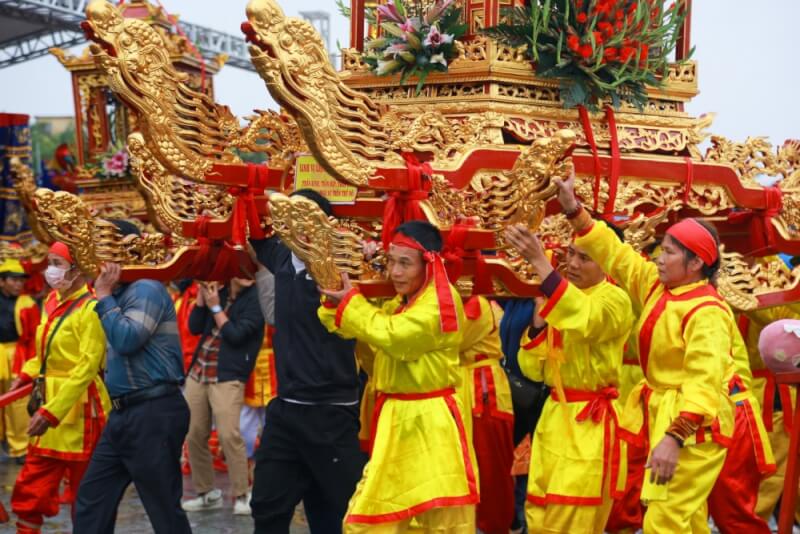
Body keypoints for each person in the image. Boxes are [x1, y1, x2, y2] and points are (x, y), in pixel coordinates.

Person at [552, 170, 736, 532]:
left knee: (663, 522)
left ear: (696, 263)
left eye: (668, 252)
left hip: (694, 427)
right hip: (662, 411)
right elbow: (618, 256)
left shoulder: (707, 312)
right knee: (686, 520)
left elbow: (704, 383)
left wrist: (674, 438)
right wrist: (575, 211)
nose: (659, 259)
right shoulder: (659, 286)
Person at [319, 220, 478, 533]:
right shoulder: (400, 303)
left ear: (429, 265)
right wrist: (333, 298)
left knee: (438, 520)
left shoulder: (438, 305)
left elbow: (394, 336)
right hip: (398, 418)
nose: (395, 272)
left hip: (430, 422)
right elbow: (350, 324)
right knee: (374, 521)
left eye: (405, 263)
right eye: (391, 261)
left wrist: (351, 303)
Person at [249, 189, 365, 534]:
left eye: (304, 219)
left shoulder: (340, 268)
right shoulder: (282, 256)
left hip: (331, 410)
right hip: (286, 409)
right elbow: (252, 231)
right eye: (288, 219)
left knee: (337, 512)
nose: (296, 227)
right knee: (267, 506)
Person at [505, 224, 633, 534]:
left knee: (570, 519)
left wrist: (540, 263)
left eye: (585, 258)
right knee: (538, 514)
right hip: (553, 419)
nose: (573, 264)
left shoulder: (615, 300)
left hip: (588, 426)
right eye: (571, 254)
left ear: (608, 261)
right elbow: (533, 369)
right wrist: (537, 327)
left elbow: (585, 319)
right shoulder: (563, 298)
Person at [74, 220, 191, 534]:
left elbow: (127, 339)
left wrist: (103, 296)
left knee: (163, 507)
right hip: (124, 414)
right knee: (91, 499)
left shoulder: (146, 288)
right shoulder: (116, 294)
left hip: (154, 412)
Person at [8, 242, 108, 534]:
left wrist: (52, 412)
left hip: (82, 411)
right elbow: (45, 353)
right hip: (49, 402)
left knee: (85, 493)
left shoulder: (91, 308)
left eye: (57, 262)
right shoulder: (51, 300)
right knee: (32, 486)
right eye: (49, 262)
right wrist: (27, 375)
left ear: (77, 269)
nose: (50, 270)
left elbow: (87, 367)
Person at [182, 276, 265, 515]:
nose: (245, 275)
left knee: (230, 435)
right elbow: (195, 327)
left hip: (228, 375)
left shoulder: (256, 300)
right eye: (238, 269)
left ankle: (241, 494)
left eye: (249, 270)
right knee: (194, 433)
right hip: (199, 370)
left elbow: (237, 335)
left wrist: (216, 307)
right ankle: (206, 493)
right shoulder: (220, 290)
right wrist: (201, 300)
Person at [457, 295, 515, 534]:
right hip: (463, 389)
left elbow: (445, 340)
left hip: (482, 393)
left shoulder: (477, 304)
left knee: (490, 471)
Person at [0, 258, 40, 463]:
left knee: (16, 402)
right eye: (13, 280)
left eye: (20, 280)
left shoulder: (28, 304)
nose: (18, 284)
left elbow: (34, 337)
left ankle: (20, 448)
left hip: (17, 353)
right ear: (2, 281)